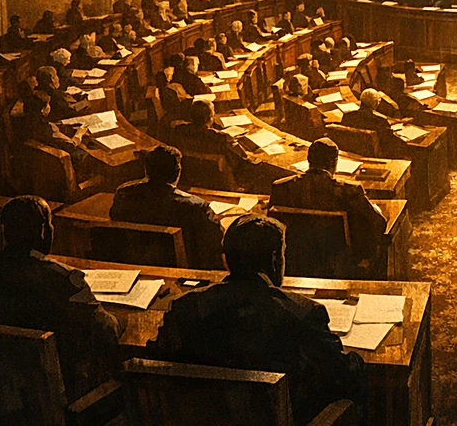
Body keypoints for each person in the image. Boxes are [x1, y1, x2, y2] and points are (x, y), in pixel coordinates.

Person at [149, 214, 366, 424]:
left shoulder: (184, 307)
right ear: (274, 259)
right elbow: (344, 374)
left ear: (227, 259)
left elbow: (155, 361)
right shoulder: (302, 313)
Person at [0, 195, 122, 401]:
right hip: (53, 396)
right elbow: (105, 331)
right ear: (43, 232)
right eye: (50, 224)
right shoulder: (65, 280)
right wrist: (118, 320)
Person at [270, 137, 386, 265]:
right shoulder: (350, 191)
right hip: (337, 264)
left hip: (295, 260)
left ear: (309, 159)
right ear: (334, 162)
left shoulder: (281, 187)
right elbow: (379, 224)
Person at [111, 145, 224, 269]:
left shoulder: (124, 193)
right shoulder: (194, 206)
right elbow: (217, 239)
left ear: (146, 169)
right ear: (177, 172)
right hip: (183, 270)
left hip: (131, 264)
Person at [170, 99, 254, 176]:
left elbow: (174, 123)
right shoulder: (219, 136)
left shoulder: (182, 129)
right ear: (209, 118)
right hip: (217, 167)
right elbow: (241, 153)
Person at [339, 88, 406, 155]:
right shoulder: (380, 122)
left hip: (352, 153)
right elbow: (389, 142)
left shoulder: (347, 117)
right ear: (375, 104)